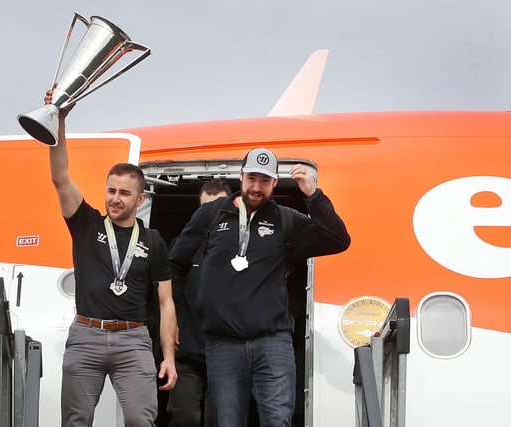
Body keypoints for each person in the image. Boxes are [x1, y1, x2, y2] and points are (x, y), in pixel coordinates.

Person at [169, 148, 350, 427]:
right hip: (223, 343)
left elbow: (338, 239)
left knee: (277, 421)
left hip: (272, 342)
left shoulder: (286, 220)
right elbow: (174, 266)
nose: (256, 187)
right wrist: (177, 318)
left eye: (264, 181)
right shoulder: (211, 215)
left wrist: (313, 195)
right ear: (240, 176)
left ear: (274, 183)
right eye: (251, 178)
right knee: (228, 423)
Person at [44, 88, 178, 427]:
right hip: (87, 336)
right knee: (76, 422)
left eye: (124, 193)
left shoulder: (153, 240)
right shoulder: (86, 222)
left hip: (133, 342)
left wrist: (169, 357)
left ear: (140, 198)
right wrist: (59, 122)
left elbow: (166, 303)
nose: (115, 199)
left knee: (139, 421)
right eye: (111, 190)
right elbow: (60, 177)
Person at [166, 179, 232, 427]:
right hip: (188, 353)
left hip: (227, 354)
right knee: (184, 417)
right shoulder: (183, 248)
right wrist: (171, 325)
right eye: (204, 208)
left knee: (221, 420)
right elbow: (166, 288)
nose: (210, 214)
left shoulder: (243, 246)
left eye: (216, 208)